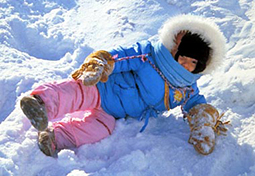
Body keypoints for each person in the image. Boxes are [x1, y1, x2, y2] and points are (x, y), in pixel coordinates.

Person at [20, 14, 229, 157]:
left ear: (200, 67)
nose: (186, 64)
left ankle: (55, 138)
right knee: (77, 91)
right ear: (176, 51)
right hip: (104, 89)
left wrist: (203, 123)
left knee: (99, 131)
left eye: (193, 63)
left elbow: (196, 105)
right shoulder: (151, 55)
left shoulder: (187, 88)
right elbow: (124, 56)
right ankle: (41, 104)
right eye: (184, 57)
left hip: (114, 115)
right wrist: (102, 63)